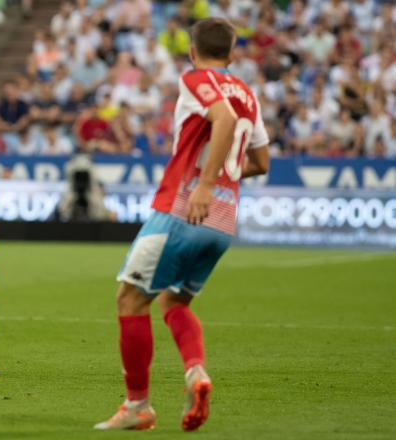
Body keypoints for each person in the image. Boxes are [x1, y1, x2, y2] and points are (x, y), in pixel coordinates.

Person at [94, 18, 270, 432]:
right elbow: (261, 162)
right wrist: (222, 183)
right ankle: (195, 372)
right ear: (232, 53)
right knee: (173, 302)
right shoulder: (248, 93)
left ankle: (138, 405)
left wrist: (205, 184)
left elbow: (222, 120)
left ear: (192, 51)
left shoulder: (194, 78)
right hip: (223, 221)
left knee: (129, 299)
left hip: (182, 209)